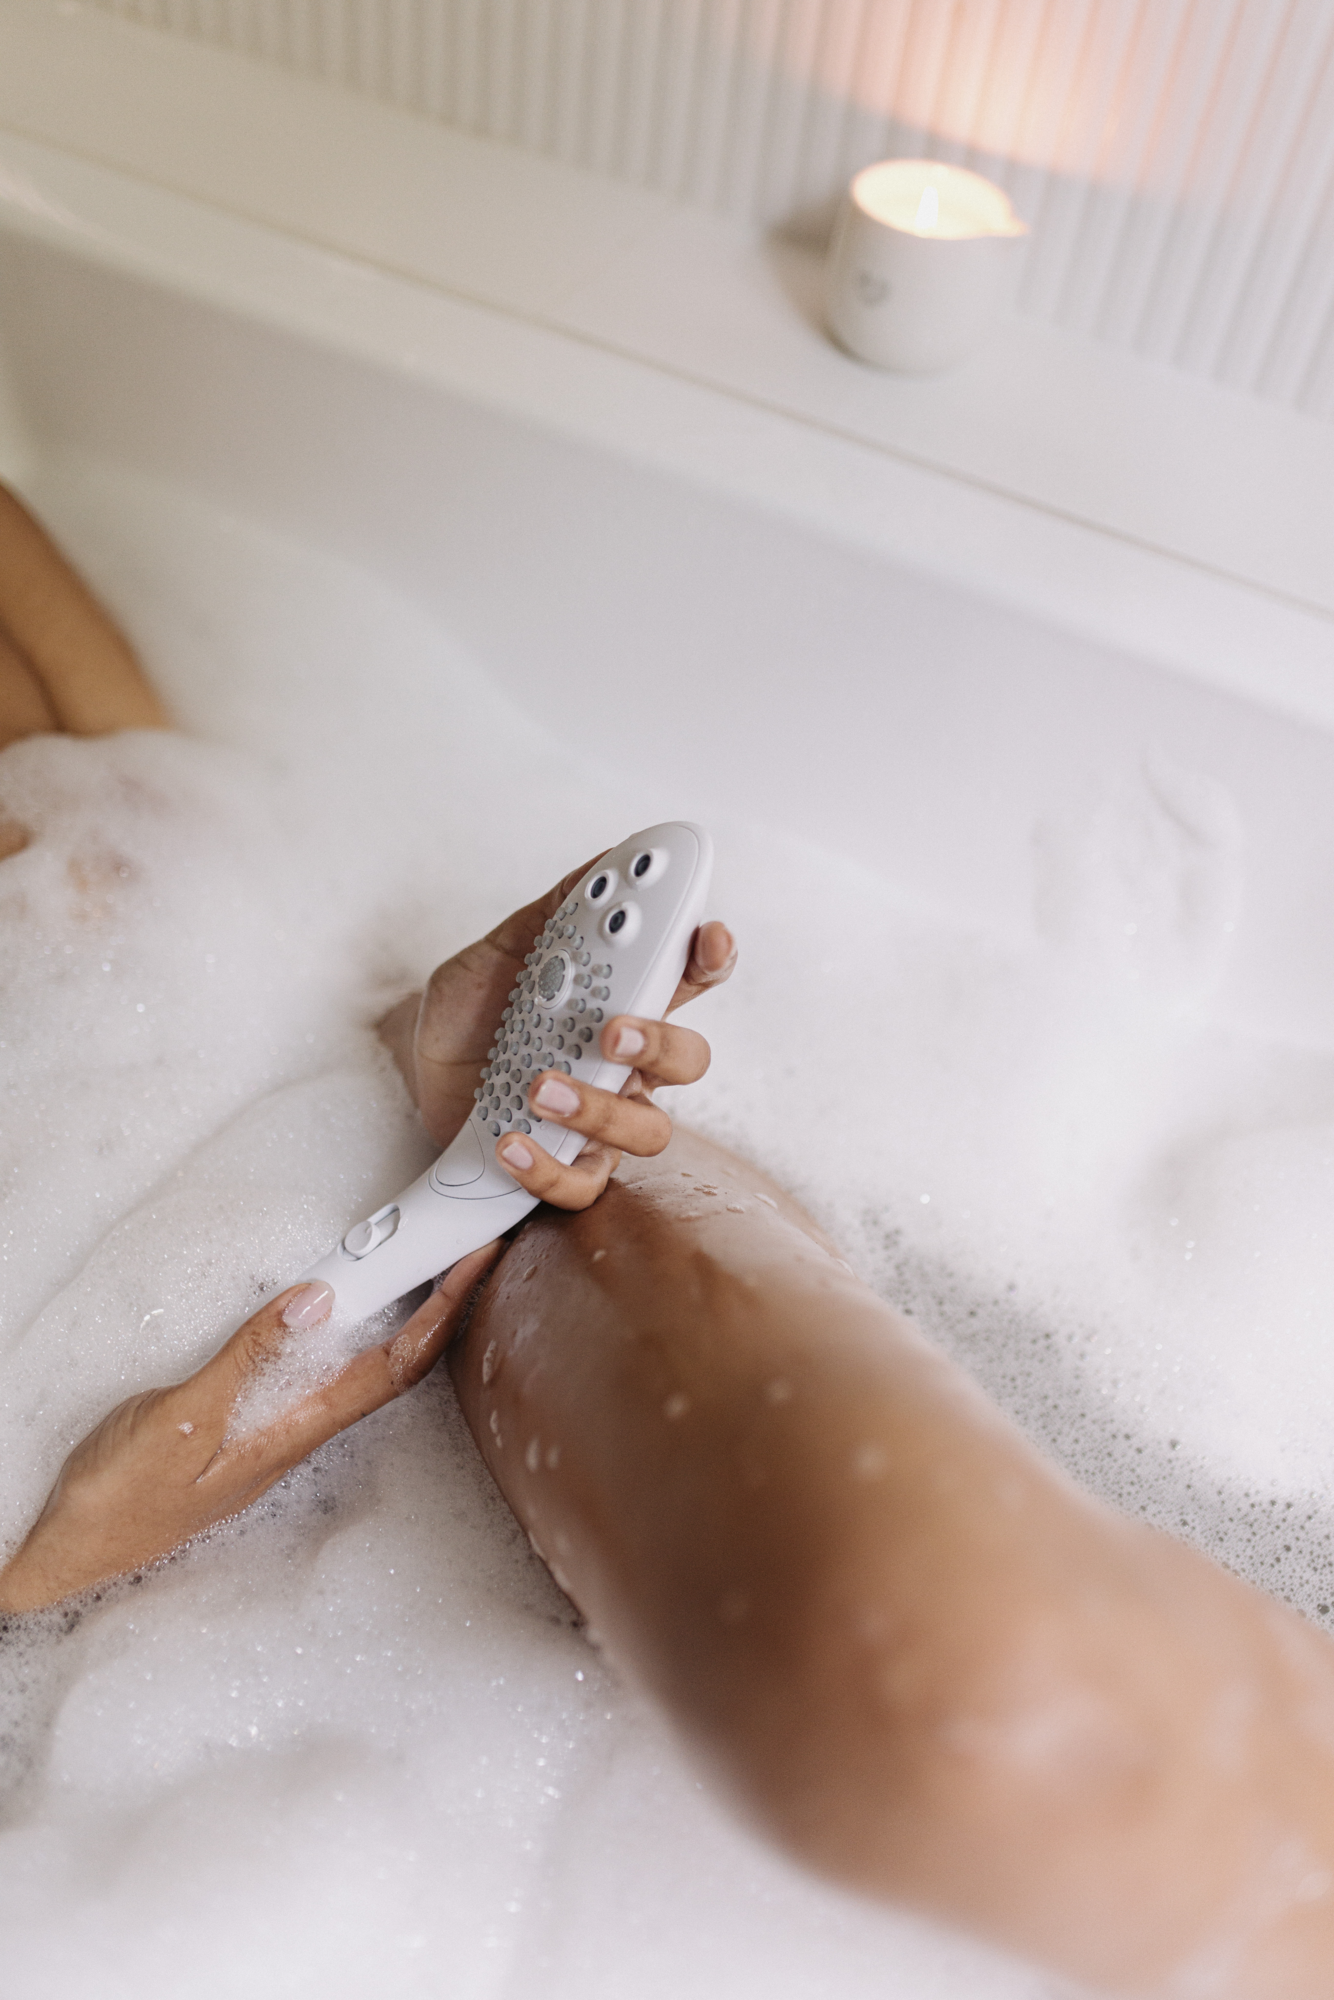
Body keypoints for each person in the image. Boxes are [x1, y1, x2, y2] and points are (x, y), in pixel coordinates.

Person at [2, 485, 1334, 1999]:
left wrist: (429, 1074)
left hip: (335, 1236)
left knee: (995, 1699)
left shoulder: (100, 827)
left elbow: (209, 867)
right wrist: (50, 1563)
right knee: (987, 1704)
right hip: (166, 1606)